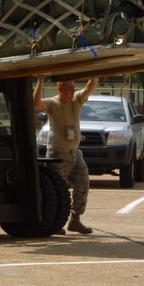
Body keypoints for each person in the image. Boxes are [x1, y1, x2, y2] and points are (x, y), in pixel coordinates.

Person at [34, 74, 99, 234]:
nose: (72, 92)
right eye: (69, 90)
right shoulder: (52, 103)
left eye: (73, 89)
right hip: (58, 154)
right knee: (57, 190)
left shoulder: (76, 100)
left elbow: (90, 87)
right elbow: (36, 103)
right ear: (61, 89)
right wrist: (40, 81)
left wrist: (95, 74)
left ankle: (75, 220)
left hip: (75, 154)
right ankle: (55, 223)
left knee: (83, 183)